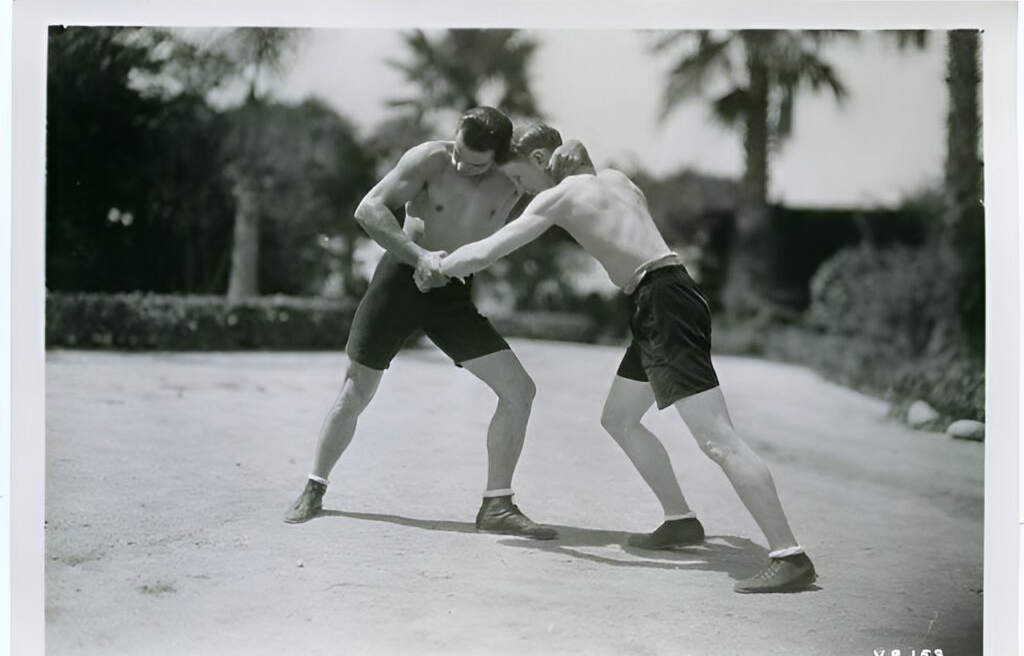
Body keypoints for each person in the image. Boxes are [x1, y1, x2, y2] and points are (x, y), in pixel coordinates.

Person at [430, 123, 817, 593]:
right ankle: (681, 521)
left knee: (717, 439)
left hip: (663, 304)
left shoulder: (556, 197)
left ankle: (789, 553)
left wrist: (435, 263)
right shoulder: (618, 180)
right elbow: (602, 195)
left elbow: (489, 251)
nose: (519, 190)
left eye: (519, 179)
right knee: (619, 418)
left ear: (537, 162)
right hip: (669, 294)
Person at [283, 107, 558, 540]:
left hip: (453, 293)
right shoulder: (430, 158)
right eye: (459, 152)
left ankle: (497, 506)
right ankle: (314, 487)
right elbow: (368, 209)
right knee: (357, 390)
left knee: (519, 390)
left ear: (501, 158)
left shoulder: (517, 176)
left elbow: (563, 181)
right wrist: (420, 257)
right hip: (400, 280)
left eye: (475, 163)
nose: (461, 165)